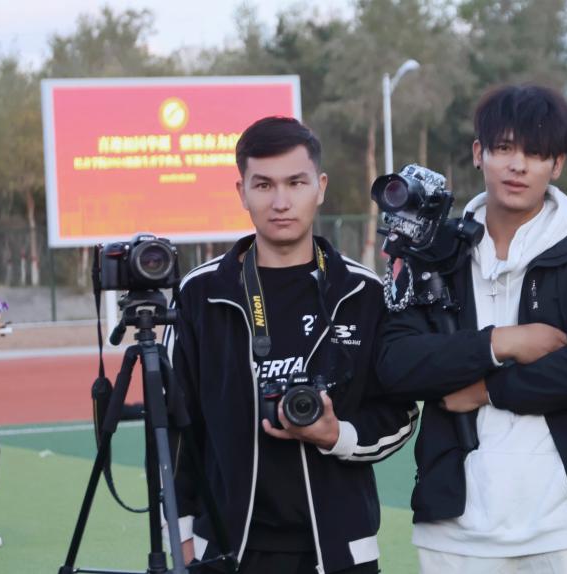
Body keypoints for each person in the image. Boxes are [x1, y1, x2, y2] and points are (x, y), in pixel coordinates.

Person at [377, 84, 567, 573]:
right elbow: (397, 364)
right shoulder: (433, 253)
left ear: (557, 165)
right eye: (504, 148)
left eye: (535, 154)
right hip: (454, 532)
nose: (518, 166)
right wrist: (501, 342)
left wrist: (486, 390)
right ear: (480, 154)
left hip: (566, 526)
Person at [166, 116, 418, 574]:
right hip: (223, 550)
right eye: (263, 185)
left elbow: (399, 415)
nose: (280, 202)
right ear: (241, 191)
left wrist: (336, 435)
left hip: (339, 552)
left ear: (320, 187)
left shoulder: (362, 293)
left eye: (296, 183)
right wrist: (181, 534)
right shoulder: (201, 294)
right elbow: (174, 427)